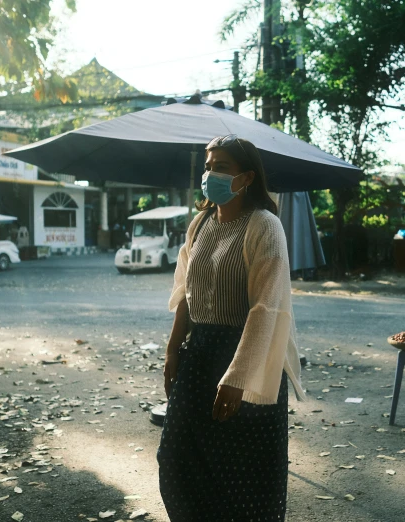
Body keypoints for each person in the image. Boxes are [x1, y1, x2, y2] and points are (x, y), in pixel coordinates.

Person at [157, 134, 305, 521]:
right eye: (208, 167)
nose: (210, 174)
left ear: (247, 178)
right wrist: (173, 350)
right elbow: (185, 291)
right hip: (199, 352)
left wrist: (238, 377)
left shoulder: (264, 226)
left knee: (241, 473)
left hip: (248, 357)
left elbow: (266, 309)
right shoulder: (200, 224)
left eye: (221, 167)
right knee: (176, 458)